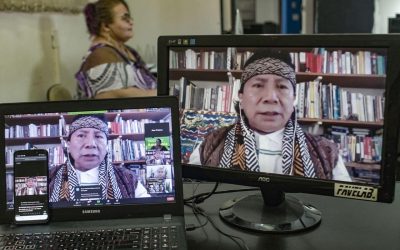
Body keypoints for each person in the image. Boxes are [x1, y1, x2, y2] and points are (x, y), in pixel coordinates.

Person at [189, 49, 352, 181]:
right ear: (241, 97)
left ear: (294, 99)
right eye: (258, 85)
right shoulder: (210, 146)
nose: (270, 97)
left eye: (281, 87)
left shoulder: (327, 153)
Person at [49, 115, 149, 202]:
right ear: (69, 145)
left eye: (98, 136)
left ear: (107, 146)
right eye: (81, 135)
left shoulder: (128, 178)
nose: (90, 144)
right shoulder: (49, 177)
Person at [75, 0, 156, 99]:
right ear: (106, 26)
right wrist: (166, 95)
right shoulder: (100, 54)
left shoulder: (126, 50)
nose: (131, 22)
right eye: (125, 18)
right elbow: (116, 97)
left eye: (129, 17)